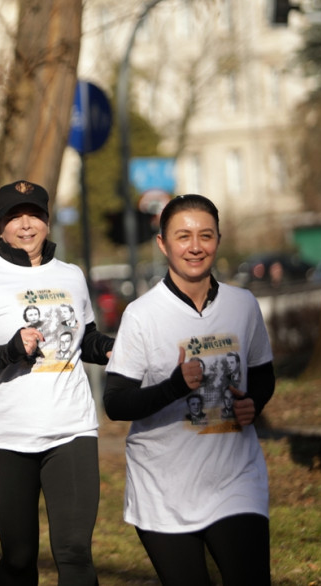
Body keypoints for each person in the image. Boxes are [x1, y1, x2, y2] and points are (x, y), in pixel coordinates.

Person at [103, 193, 275, 586]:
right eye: (183, 236)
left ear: (218, 240)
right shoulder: (142, 315)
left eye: (206, 235)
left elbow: (262, 375)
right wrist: (175, 386)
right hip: (165, 488)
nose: (195, 247)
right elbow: (115, 403)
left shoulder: (243, 304)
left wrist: (254, 403)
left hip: (236, 479)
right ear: (163, 243)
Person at [0, 179, 114, 586]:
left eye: (34, 215)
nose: (26, 225)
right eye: (14, 217)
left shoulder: (72, 275)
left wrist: (109, 347)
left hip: (71, 429)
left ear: (48, 220)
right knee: (20, 558)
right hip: (5, 437)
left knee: (75, 553)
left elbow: (84, 341)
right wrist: (9, 350)